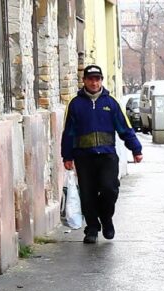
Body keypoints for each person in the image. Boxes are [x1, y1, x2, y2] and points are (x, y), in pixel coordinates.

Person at [61, 65, 143, 244]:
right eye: (90, 79)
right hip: (84, 156)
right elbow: (68, 132)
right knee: (87, 193)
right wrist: (67, 156)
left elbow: (124, 127)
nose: (94, 82)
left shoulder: (111, 102)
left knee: (110, 189)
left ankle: (106, 219)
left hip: (107, 155)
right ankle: (91, 228)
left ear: (101, 81)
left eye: (97, 79)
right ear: (84, 81)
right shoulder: (75, 104)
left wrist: (136, 149)